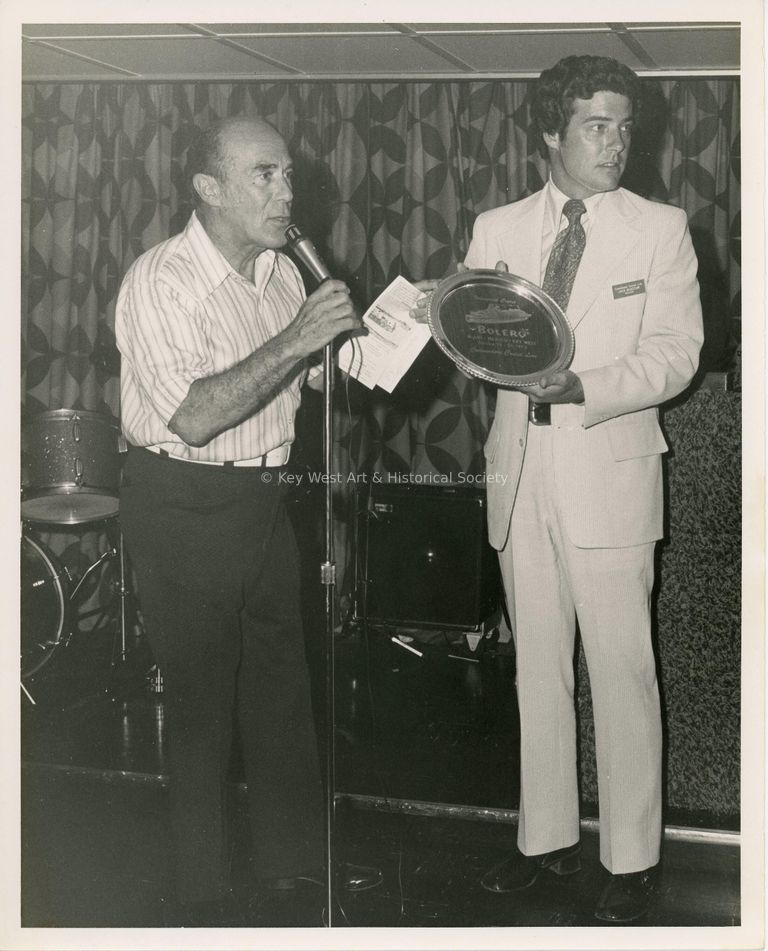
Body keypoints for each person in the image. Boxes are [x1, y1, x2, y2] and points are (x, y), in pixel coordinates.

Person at [416, 55, 703, 922]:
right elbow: (471, 334)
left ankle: (632, 856)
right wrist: (431, 311)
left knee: (621, 672)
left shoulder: (661, 227)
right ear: (551, 131)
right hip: (520, 473)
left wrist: (583, 385)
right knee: (536, 670)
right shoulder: (496, 225)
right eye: (596, 126)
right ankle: (544, 840)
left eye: (624, 126)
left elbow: (676, 354)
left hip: (609, 469)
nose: (616, 143)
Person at [115, 115, 380, 926]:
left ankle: (291, 872)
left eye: (289, 175)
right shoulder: (159, 281)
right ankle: (201, 897)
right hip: (183, 498)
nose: (288, 193)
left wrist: (416, 323)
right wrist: (298, 340)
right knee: (200, 704)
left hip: (266, 501)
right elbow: (194, 416)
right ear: (209, 188)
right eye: (264, 175)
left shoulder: (283, 276)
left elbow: (345, 369)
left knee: (280, 693)